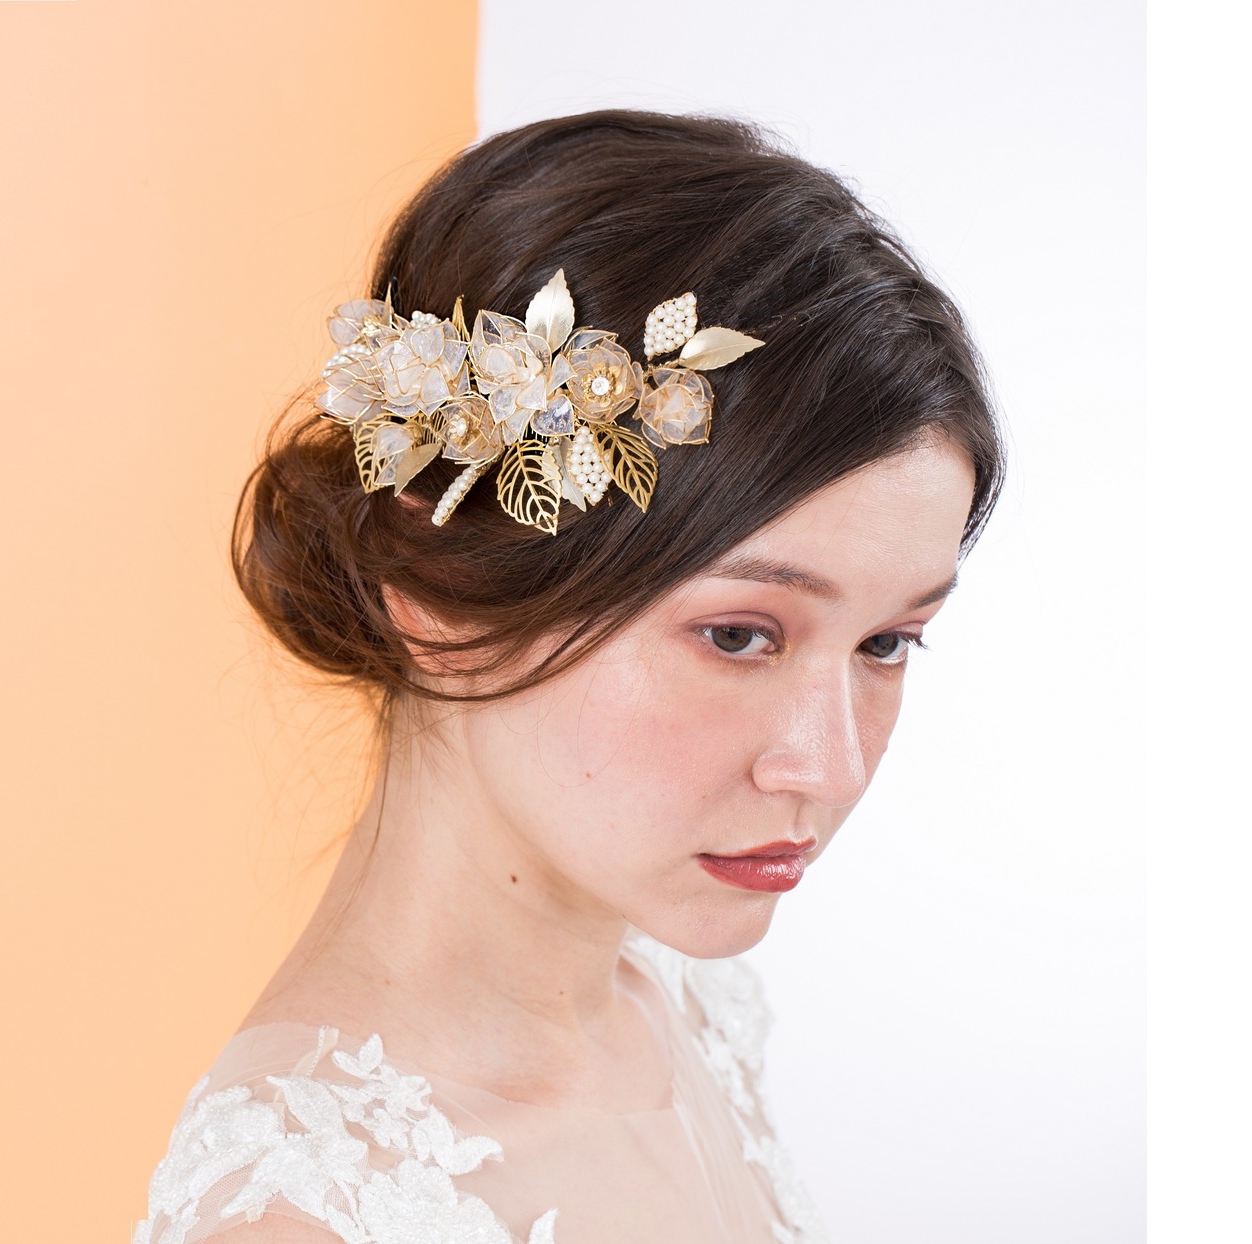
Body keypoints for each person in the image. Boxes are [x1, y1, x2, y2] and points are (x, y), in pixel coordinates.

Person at [134, 108, 1006, 1244]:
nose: (828, 766)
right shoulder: (305, 1217)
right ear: (441, 595)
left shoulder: (680, 1007)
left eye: (886, 643)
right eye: (738, 635)